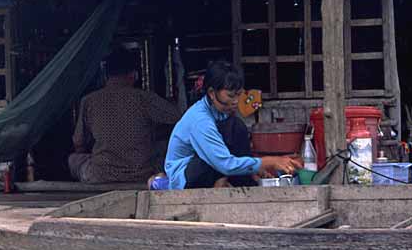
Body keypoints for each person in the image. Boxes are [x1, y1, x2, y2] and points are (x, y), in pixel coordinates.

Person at [165, 61, 301, 189]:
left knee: (237, 127)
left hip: (219, 166)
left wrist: (255, 169)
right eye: (230, 96)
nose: (236, 101)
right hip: (187, 176)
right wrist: (269, 161)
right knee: (215, 160)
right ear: (212, 93)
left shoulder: (223, 114)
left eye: (238, 95)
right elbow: (224, 163)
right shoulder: (200, 121)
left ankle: (228, 181)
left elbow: (236, 153)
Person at [69, 47, 181, 183]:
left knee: (73, 159)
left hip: (100, 175)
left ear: (106, 75)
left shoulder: (89, 100)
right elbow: (179, 118)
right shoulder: (144, 98)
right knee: (165, 148)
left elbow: (78, 142)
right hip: (141, 173)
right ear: (133, 74)